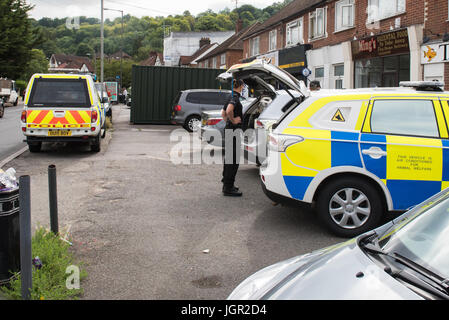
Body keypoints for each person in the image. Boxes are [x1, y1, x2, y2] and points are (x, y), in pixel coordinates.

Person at [221, 78, 244, 197]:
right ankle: (229, 188)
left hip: (229, 130)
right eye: (243, 86)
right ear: (241, 86)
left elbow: (223, 113)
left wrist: (228, 122)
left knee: (229, 159)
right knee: (233, 160)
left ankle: (227, 184)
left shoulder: (230, 96)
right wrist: (234, 121)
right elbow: (229, 110)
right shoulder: (235, 98)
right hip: (234, 131)